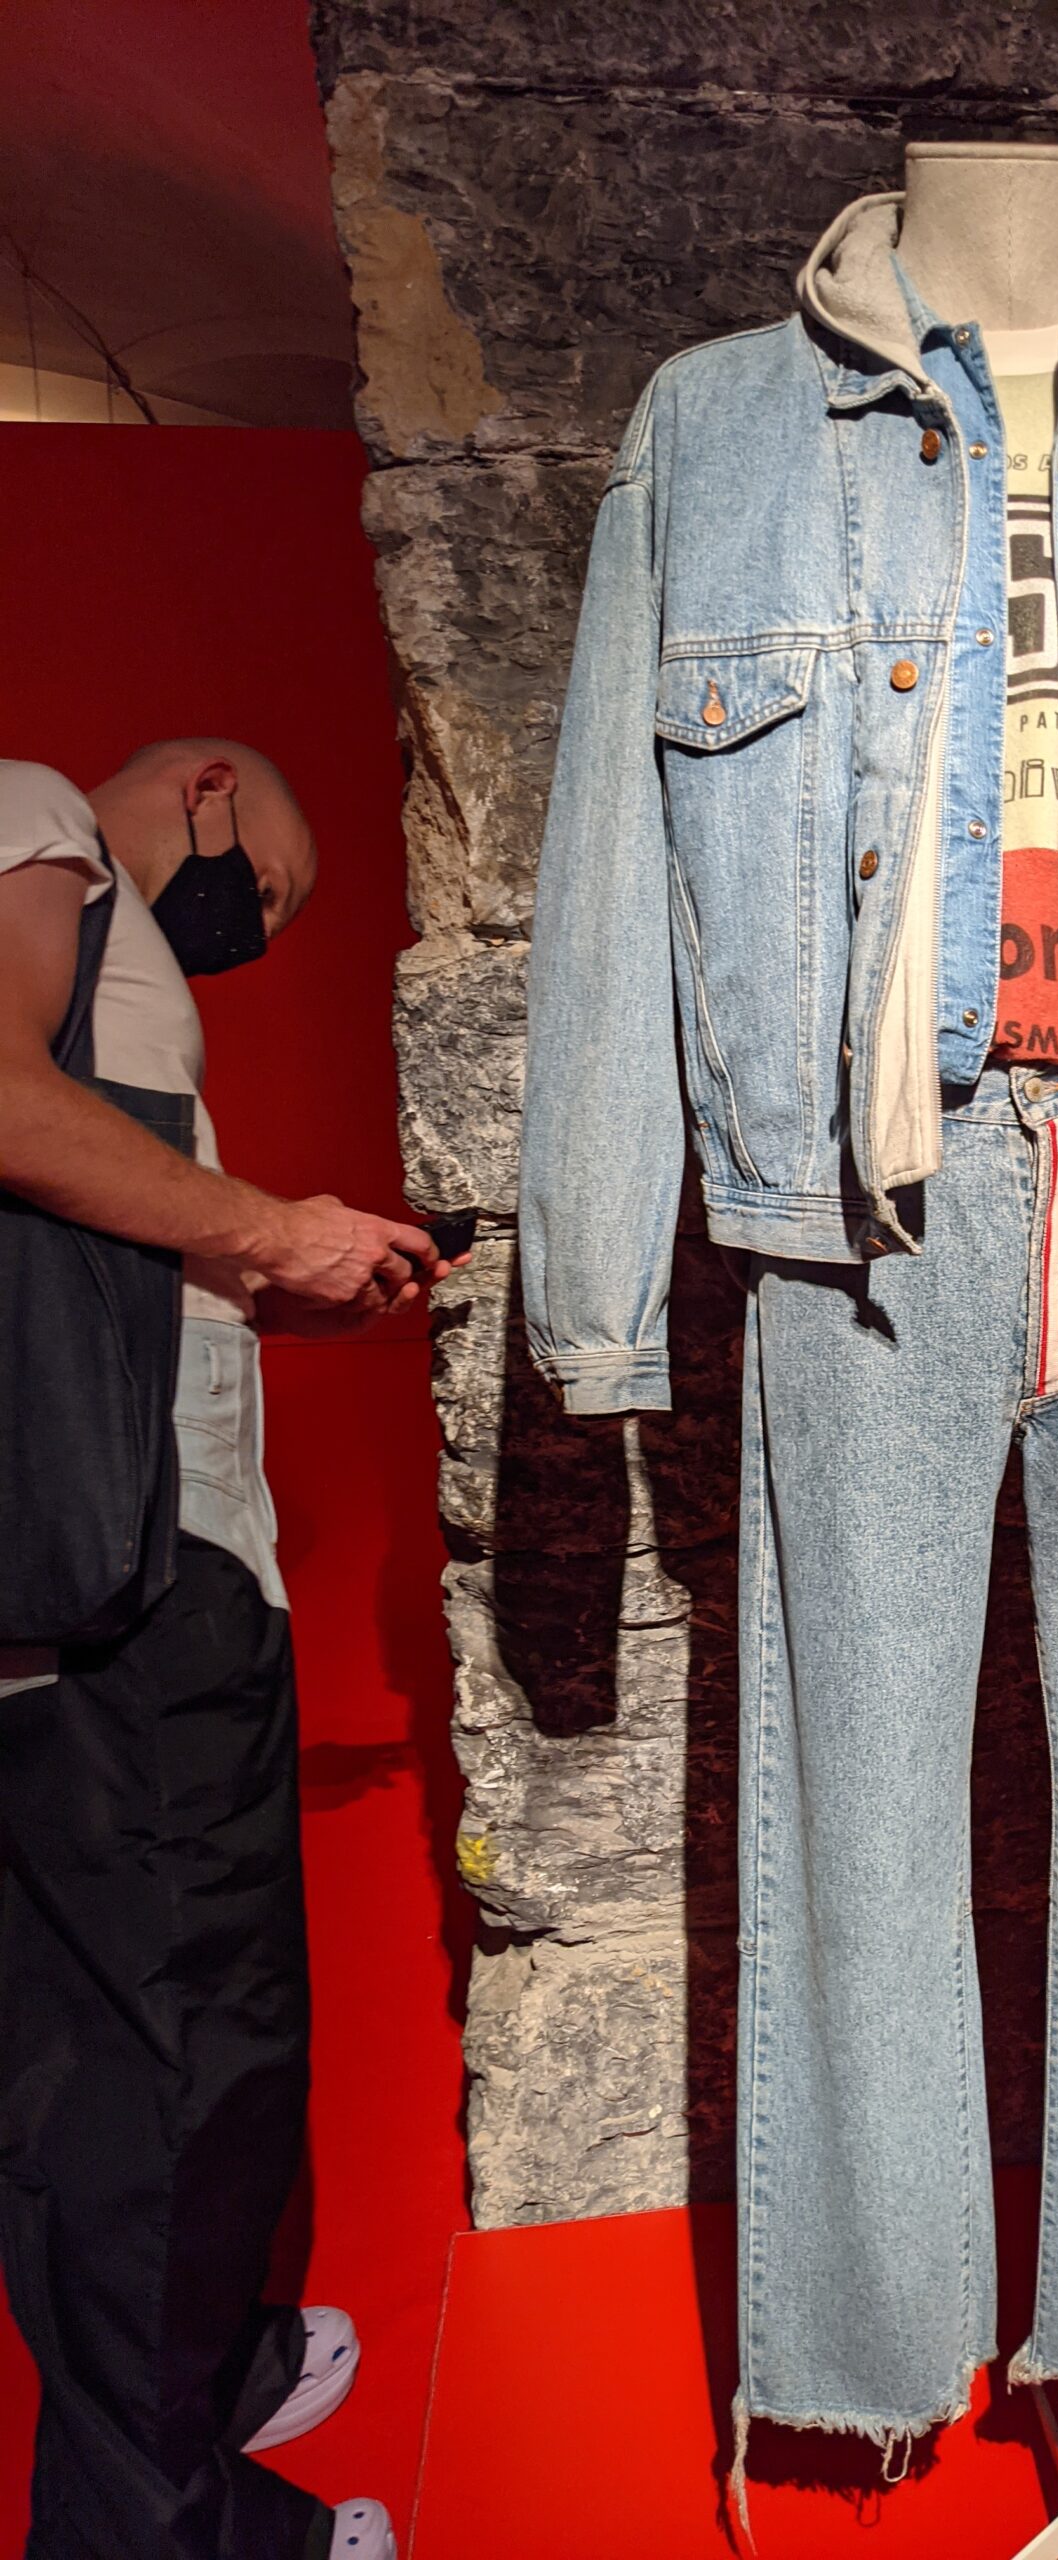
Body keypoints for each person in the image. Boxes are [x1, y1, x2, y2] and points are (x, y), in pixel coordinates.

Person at [0, 742, 451, 2560]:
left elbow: (84, 1242)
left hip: (116, 1572)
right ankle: (164, 2535)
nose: (244, 929)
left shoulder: (97, 927)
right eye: (257, 886)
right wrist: (273, 1226)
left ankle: (200, 2395)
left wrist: (274, 1287)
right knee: (184, 2068)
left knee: (114, 2063)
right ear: (203, 789)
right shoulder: (35, 812)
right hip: (134, 1581)